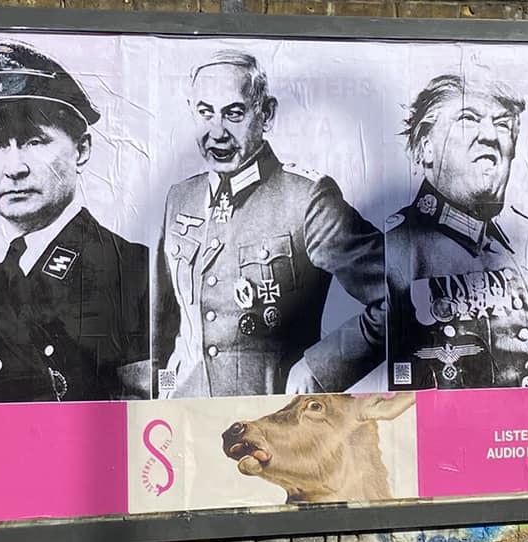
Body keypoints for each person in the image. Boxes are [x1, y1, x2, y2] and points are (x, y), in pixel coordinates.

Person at [153, 49, 384, 399]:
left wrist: (318, 369)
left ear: (267, 113)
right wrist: (158, 396)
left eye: (234, 113)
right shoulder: (180, 197)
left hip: (271, 417)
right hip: (186, 416)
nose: (217, 132)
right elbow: (162, 321)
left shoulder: (307, 198)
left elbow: (397, 296)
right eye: (205, 113)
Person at [0, 41, 149, 405]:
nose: (13, 167)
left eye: (34, 141)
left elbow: (147, 414)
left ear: (81, 151)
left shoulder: (129, 268)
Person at [384, 68, 528, 388]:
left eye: (502, 123)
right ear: (426, 145)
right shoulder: (387, 249)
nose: (490, 135)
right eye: (468, 118)